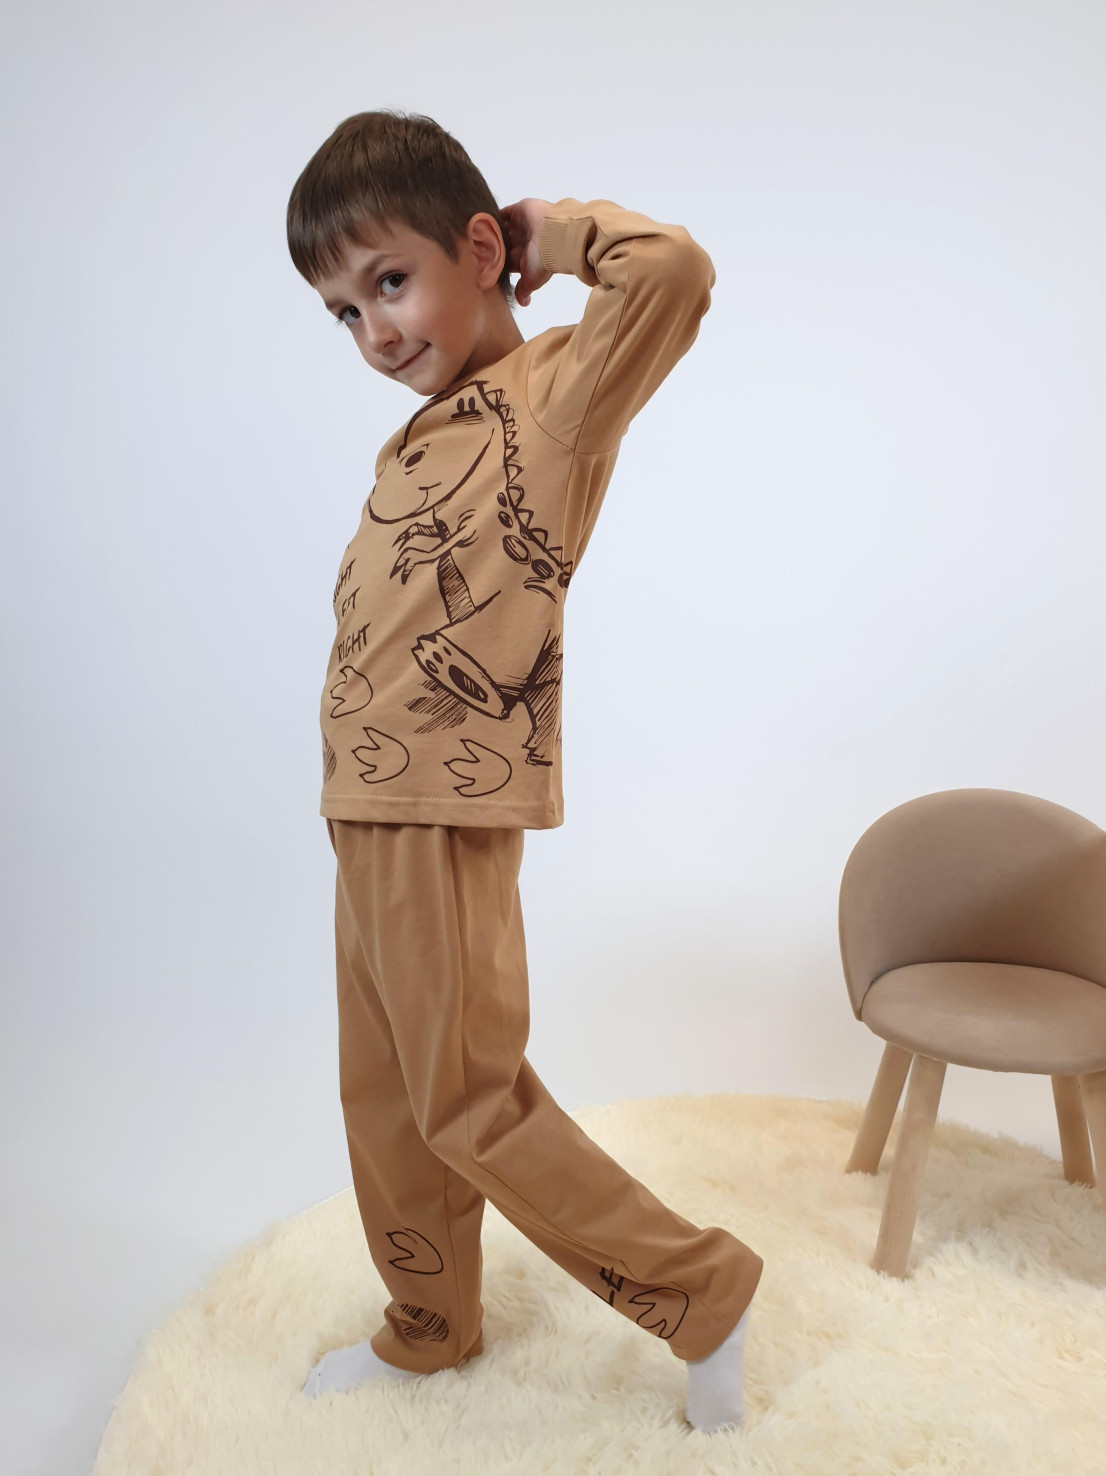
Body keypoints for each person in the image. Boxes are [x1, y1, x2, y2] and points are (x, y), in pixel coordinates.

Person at [284, 108, 763, 1435]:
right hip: (367, 805)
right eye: (343, 311)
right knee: (388, 1098)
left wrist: (555, 233)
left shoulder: (557, 391)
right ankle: (428, 1326)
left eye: (391, 280)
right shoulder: (421, 433)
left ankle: (700, 1291)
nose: (374, 329)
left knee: (470, 1101)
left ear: (479, 249)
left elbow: (672, 273)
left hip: (444, 804)